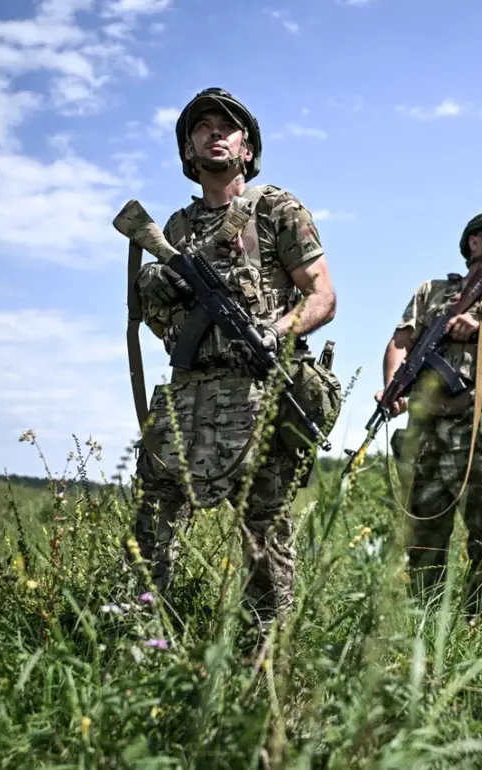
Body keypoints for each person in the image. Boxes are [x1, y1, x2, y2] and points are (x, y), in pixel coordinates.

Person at [130, 87, 341, 637]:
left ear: (247, 147)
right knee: (154, 511)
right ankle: (139, 630)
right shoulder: (174, 230)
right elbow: (152, 318)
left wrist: (275, 331)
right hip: (189, 392)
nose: (215, 132)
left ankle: (264, 653)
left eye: (228, 126)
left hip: (257, 392)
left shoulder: (277, 210)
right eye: (202, 127)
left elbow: (323, 298)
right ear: (186, 150)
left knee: (263, 526)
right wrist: (163, 287)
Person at [378, 206, 482, 625]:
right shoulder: (432, 292)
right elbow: (401, 342)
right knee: (423, 539)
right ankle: (422, 632)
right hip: (428, 429)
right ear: (474, 241)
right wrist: (393, 388)